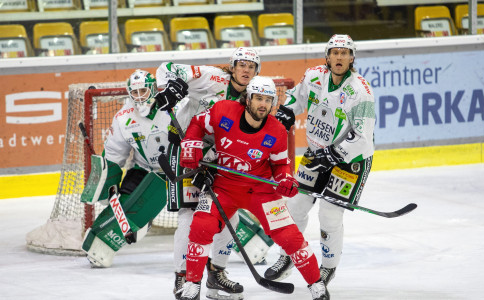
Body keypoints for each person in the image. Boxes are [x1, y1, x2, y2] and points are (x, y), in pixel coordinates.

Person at [177, 76, 330, 300]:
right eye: (258, 98)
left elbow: (280, 165)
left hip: (260, 190)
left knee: (290, 237)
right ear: (247, 98)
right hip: (223, 186)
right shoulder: (223, 111)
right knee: (201, 227)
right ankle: (192, 284)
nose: (263, 104)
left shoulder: (276, 130)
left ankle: (316, 284)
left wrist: (286, 180)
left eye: (268, 100)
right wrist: (191, 143)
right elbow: (198, 123)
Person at [264, 34, 376, 287]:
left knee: (329, 215)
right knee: (295, 206)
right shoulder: (314, 75)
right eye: (334, 52)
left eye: (344, 53)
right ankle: (287, 256)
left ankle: (327, 268)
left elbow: (363, 138)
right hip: (317, 151)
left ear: (351, 58)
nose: (339, 57)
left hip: (350, 160)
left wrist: (333, 155)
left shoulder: (361, 91)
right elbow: (296, 97)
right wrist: (286, 112)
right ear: (327, 56)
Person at [155, 47, 267, 300]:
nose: (246, 70)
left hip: (217, 161)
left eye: (251, 66)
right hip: (185, 150)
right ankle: (183, 276)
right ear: (232, 66)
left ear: (257, 71)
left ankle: (216, 276)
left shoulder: (254, 99)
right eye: (241, 64)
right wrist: (170, 88)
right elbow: (166, 68)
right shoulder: (212, 77)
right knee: (189, 216)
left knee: (231, 219)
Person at [80, 69, 171, 268]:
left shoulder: (174, 108)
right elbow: (114, 153)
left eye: (143, 91)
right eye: (135, 92)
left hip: (180, 169)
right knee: (125, 205)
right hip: (145, 169)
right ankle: (98, 243)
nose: (139, 97)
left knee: (209, 206)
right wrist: (108, 184)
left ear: (153, 89)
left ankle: (249, 242)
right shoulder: (124, 118)